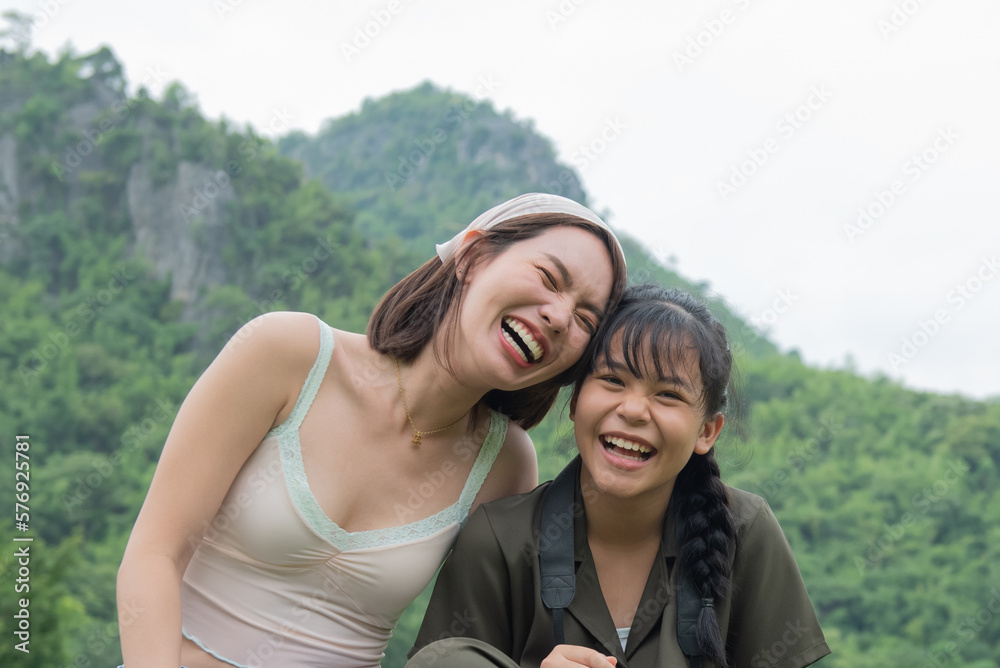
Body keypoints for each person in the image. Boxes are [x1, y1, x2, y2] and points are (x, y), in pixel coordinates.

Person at [115, 193, 628, 668]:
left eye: (586, 318)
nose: (560, 316)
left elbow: (471, 643)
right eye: (548, 277)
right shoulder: (288, 355)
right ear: (472, 258)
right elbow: (155, 553)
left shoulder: (505, 463)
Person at [407, 284, 831, 668]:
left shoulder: (745, 530)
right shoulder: (500, 538)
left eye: (668, 395)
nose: (632, 410)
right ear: (574, 403)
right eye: (612, 379)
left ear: (707, 431)